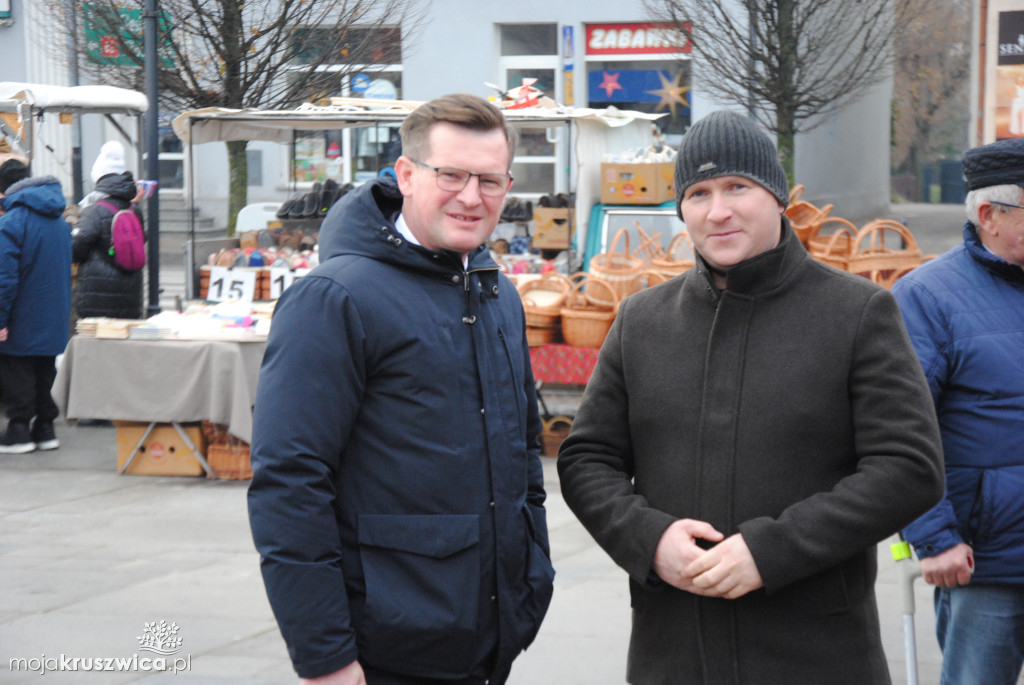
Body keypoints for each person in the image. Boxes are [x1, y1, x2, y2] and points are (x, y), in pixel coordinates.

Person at [557, 110, 945, 684]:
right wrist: (649, 540)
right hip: (674, 653)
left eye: (738, 187)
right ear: (681, 209)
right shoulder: (642, 320)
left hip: (815, 653)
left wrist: (772, 551)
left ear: (777, 195)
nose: (719, 211)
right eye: (699, 193)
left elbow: (910, 468)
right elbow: (587, 458)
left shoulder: (856, 313)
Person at [248, 93, 554, 685]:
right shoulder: (336, 298)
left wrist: (529, 577)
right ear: (407, 176)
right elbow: (289, 482)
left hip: (489, 640)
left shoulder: (498, 294)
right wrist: (325, 657)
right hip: (386, 648)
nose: (471, 197)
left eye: (489, 180)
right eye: (453, 175)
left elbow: (522, 453)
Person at [891, 137, 1024, 685]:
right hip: (984, 561)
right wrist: (934, 537)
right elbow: (899, 426)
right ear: (990, 214)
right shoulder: (926, 296)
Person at [0, 159, 72, 453]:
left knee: (16, 369)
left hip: (21, 314)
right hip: (54, 312)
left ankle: (18, 430)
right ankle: (45, 428)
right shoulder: (59, 221)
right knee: (45, 369)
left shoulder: (11, 223)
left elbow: (4, 278)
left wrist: (1, 318)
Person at [72, 140, 145, 320]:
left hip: (97, 301)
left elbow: (75, 250)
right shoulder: (134, 210)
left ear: (99, 178)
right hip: (131, 297)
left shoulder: (93, 211)